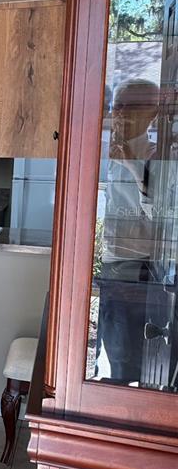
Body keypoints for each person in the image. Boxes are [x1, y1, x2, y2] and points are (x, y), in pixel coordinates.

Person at [95, 78, 164, 384]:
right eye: (116, 105)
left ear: (152, 114)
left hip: (140, 268)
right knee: (112, 348)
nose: (119, 113)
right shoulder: (107, 152)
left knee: (133, 354)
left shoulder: (157, 156)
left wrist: (133, 166)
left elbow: (162, 217)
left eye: (129, 106)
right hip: (113, 262)